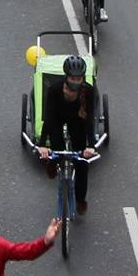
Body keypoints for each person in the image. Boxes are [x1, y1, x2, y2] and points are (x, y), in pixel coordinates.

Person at [34, 55, 101, 211]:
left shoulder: (88, 91)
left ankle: (80, 200)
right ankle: (54, 162)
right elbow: (49, 117)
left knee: (82, 164)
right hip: (57, 118)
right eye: (72, 78)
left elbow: (90, 120)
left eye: (79, 79)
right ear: (66, 77)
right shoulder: (55, 89)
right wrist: (43, 144)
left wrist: (90, 146)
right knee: (56, 147)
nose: (76, 82)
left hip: (78, 121)